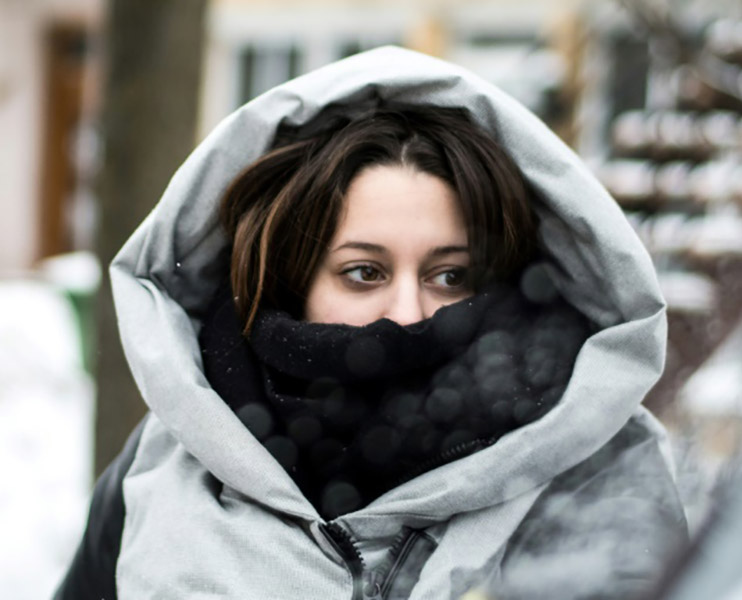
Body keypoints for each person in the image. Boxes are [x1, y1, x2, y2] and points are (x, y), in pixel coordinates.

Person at [55, 47, 686, 600]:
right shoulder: (169, 463)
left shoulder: (596, 468)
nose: (407, 314)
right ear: (294, 280)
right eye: (364, 273)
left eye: (450, 276)